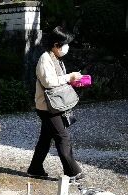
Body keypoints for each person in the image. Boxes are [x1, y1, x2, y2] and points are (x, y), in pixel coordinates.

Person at [27, 26, 85, 182]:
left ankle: (35, 168)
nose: (67, 47)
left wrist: (73, 80)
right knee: (62, 137)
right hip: (48, 107)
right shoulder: (45, 59)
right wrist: (69, 77)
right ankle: (72, 172)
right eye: (65, 44)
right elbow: (49, 82)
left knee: (45, 139)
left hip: (53, 105)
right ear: (56, 44)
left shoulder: (56, 58)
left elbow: (58, 81)